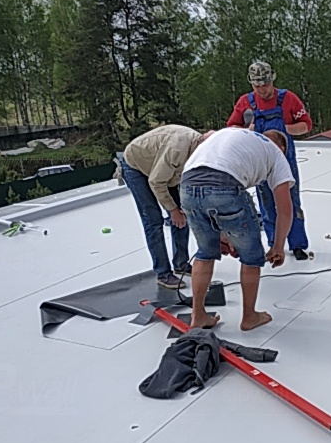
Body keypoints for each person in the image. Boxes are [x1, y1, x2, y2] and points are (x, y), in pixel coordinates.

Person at [180, 127, 295, 331]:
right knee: (252, 257)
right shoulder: (276, 154)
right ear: (282, 148)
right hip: (224, 184)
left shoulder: (238, 135)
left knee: (205, 252)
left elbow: (209, 194)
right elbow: (285, 210)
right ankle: (250, 317)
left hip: (187, 185)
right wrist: (278, 246)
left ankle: (198, 316)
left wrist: (225, 236)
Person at [227, 61, 312, 261]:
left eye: (265, 85)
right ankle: (274, 244)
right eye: (257, 86)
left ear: (272, 80)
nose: (262, 90)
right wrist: (247, 130)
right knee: (266, 203)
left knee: (292, 202)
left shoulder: (287, 98)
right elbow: (231, 129)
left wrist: (285, 129)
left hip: (285, 160)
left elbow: (306, 125)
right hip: (260, 163)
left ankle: (298, 244)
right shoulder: (245, 102)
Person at [122, 125, 212, 289]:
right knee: (153, 220)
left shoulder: (199, 151)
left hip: (163, 170)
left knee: (182, 217)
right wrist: (172, 209)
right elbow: (156, 181)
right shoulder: (177, 149)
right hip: (136, 166)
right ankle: (163, 273)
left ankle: (181, 264)